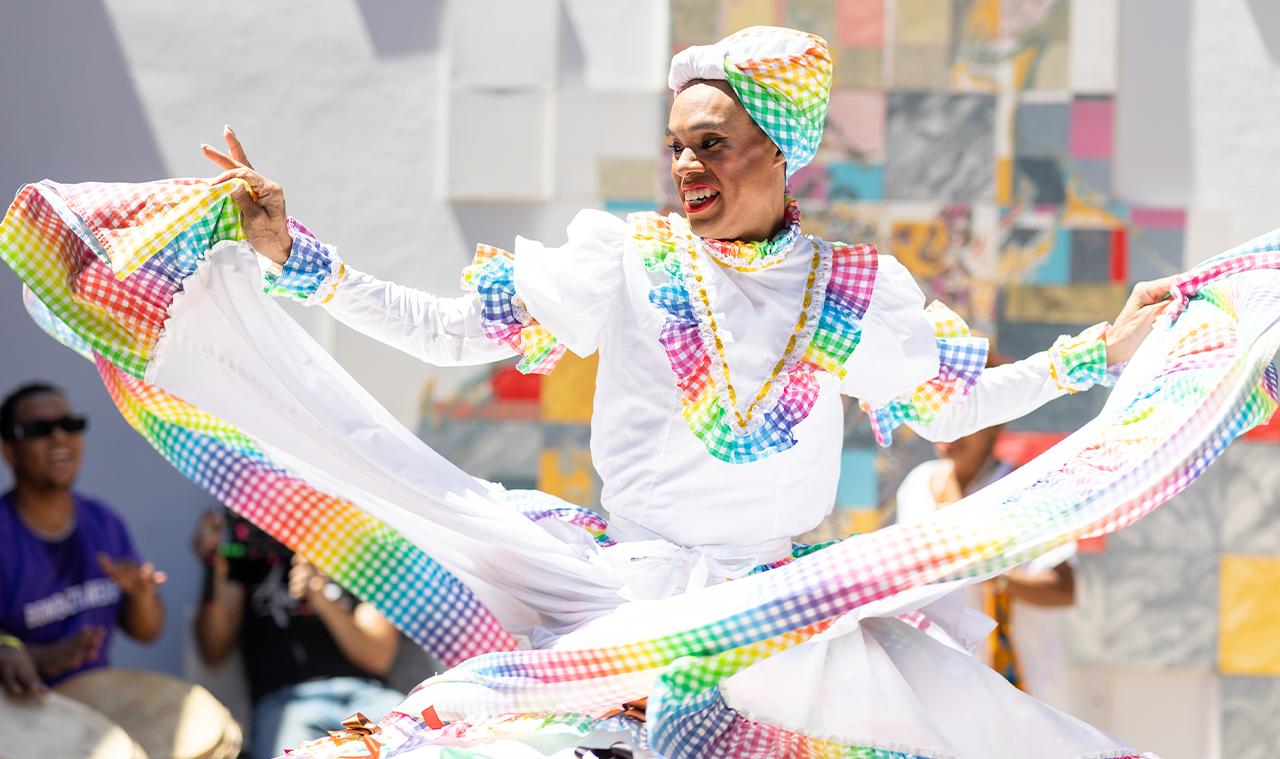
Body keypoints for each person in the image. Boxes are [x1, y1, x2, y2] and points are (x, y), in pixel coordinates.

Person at [0, 24, 1194, 759]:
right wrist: (299, 257)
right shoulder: (624, 258)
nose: (687, 165)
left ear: (781, 154)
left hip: (779, 612)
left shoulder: (852, 290)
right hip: (610, 593)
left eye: (714, 143)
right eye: (676, 143)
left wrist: (1097, 354)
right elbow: (448, 329)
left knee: (1002, 730)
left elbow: (951, 401)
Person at [191, 507, 405, 759]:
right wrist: (211, 569)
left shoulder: (355, 557)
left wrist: (319, 597)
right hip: (288, 707)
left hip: (362, 702)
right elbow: (213, 650)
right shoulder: (247, 561)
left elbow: (376, 657)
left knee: (409, 748)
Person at [897, 419, 1078, 710]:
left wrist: (982, 571)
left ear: (997, 422)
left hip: (1018, 688)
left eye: (963, 417)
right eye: (936, 416)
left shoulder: (1030, 489)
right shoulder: (918, 484)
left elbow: (1063, 589)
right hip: (936, 683)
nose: (948, 429)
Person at [0, 383, 165, 695]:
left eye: (70, 425)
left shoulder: (103, 521)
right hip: (17, 721)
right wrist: (27, 654)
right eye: (39, 429)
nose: (59, 437)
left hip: (95, 714)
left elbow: (147, 631)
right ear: (9, 450)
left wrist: (142, 595)